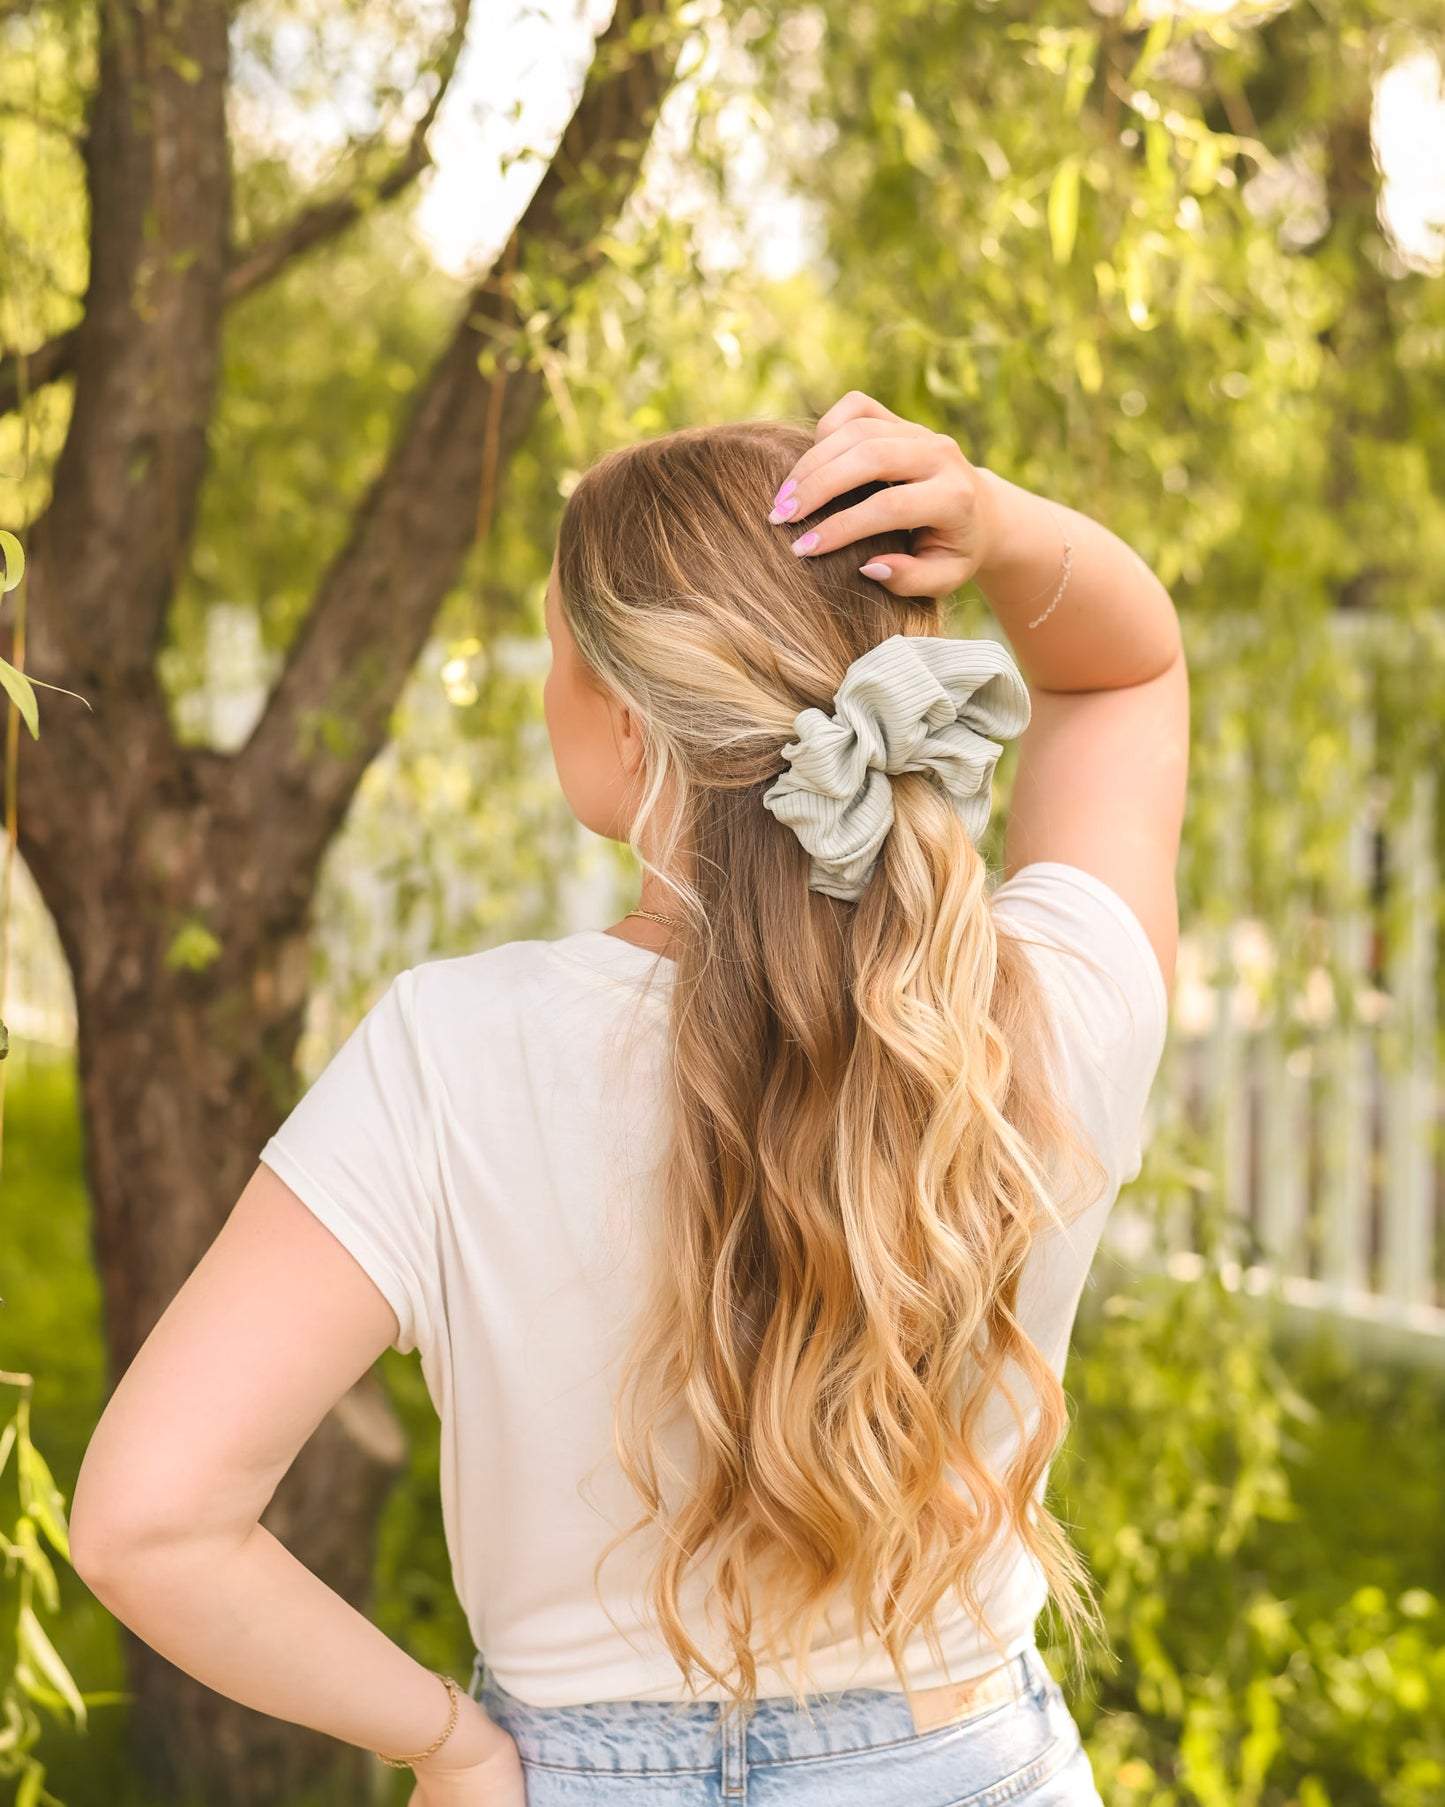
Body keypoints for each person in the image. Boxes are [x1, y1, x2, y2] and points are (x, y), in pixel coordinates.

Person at [69, 389, 1189, 1806]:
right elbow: (1124, 675)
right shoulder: (1047, 1006)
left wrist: (450, 1746)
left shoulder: (450, 1054)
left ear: (622, 718)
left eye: (555, 651)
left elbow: (144, 1524)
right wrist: (990, 517)